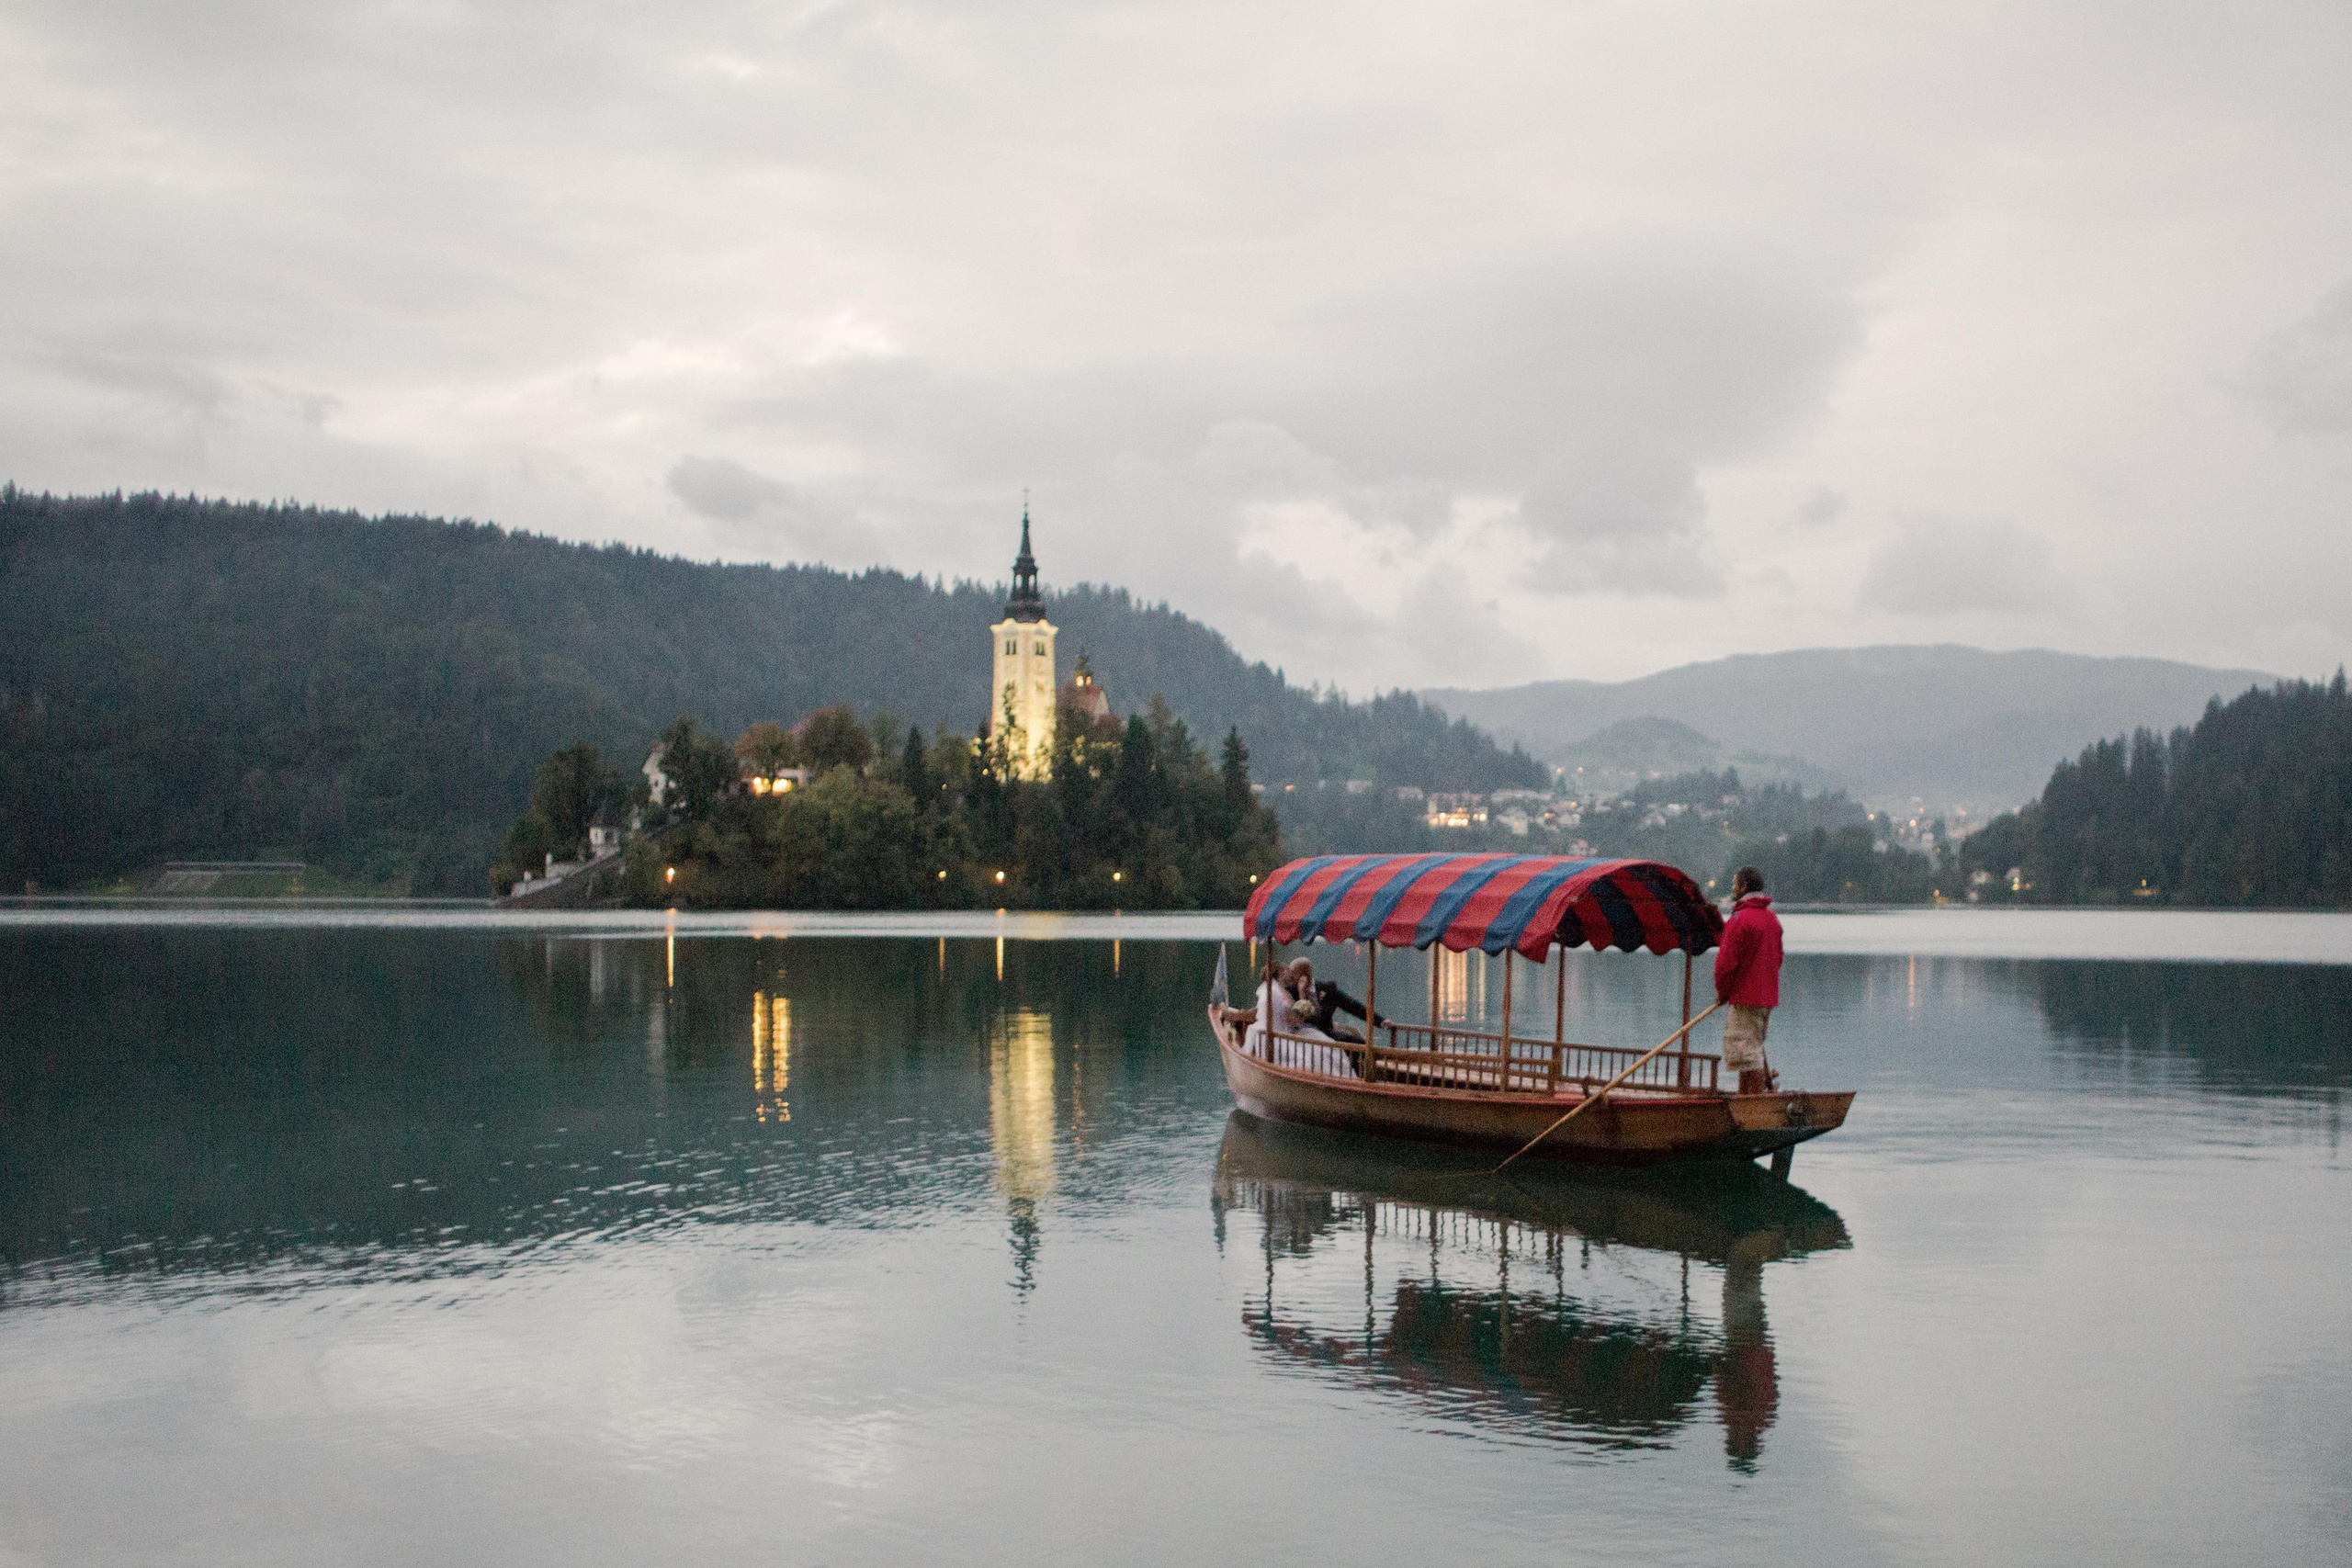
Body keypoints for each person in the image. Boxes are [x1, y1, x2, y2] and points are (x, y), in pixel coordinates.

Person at [1714, 866, 1784, 1095]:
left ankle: (1752, 1105)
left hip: (1746, 996)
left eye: (1735, 883)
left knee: (1747, 1054)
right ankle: (1746, 1099)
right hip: (1766, 998)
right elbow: (1778, 958)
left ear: (1744, 887)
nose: (1733, 888)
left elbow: (1726, 964)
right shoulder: (1772, 920)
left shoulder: (1739, 919)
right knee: (1751, 1051)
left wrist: (1724, 992)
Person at [1284, 958, 1390, 1045]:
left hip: (1327, 1033)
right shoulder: (1290, 991)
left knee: (1360, 1043)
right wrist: (1301, 993)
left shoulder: (1327, 989)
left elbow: (1353, 1006)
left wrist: (1380, 1021)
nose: (1291, 976)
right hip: (1302, 1036)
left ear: (1305, 973)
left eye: (1294, 973)